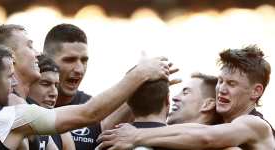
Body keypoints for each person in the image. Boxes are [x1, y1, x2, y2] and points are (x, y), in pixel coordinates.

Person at [0, 43, 174, 149]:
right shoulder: (9, 118)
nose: (14, 83)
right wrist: (140, 73)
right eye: (10, 77)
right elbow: (89, 114)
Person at [97, 45, 275, 150]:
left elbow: (207, 137)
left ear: (256, 92)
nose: (221, 89)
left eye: (232, 84)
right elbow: (193, 129)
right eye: (220, 81)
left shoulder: (255, 125)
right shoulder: (219, 123)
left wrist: (136, 135)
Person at [43, 23, 134, 149]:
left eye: (84, 60)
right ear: (47, 59)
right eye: (69, 60)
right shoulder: (24, 105)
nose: (79, 69)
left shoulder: (97, 111)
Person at [27, 55, 75, 150]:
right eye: (45, 84)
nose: (54, 93)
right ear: (27, 85)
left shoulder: (63, 134)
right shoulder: (11, 119)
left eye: (56, 85)